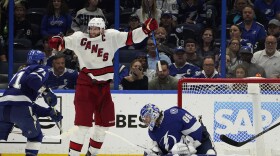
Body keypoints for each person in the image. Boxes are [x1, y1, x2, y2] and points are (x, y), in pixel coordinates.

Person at [48, 17, 158, 156]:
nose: (93, 32)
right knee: (82, 126)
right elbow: (62, 43)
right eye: (91, 28)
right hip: (86, 85)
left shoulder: (111, 36)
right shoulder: (79, 38)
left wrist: (145, 29)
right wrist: (57, 41)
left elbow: (131, 38)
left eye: (96, 29)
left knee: (103, 126)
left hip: (104, 88)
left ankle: (91, 153)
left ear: (102, 29)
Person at [0, 49, 63, 156]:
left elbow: (24, 102)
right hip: (20, 107)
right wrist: (46, 91)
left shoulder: (21, 71)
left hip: (2, 106)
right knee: (35, 137)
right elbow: (32, 80)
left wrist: (48, 112)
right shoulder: (41, 68)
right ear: (41, 61)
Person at [140, 103, 216, 155]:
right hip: (181, 153)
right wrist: (156, 152)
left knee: (210, 153)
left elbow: (198, 130)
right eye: (144, 119)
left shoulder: (174, 114)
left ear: (153, 113)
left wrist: (190, 145)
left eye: (146, 117)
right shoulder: (152, 132)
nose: (145, 121)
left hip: (201, 141)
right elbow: (166, 150)